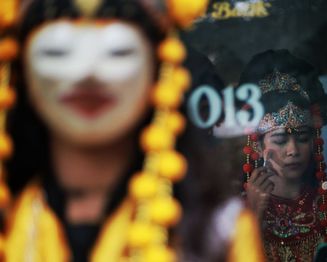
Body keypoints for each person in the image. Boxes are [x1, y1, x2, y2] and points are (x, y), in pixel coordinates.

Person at [0, 0, 264, 261]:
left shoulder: (216, 231)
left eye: (118, 52)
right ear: (23, 72)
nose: (87, 73)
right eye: (58, 52)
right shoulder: (9, 219)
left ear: (158, 71)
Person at [241, 50, 327, 261]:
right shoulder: (236, 214)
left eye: (303, 137)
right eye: (279, 140)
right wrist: (253, 218)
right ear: (258, 146)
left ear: (314, 140)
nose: (293, 150)